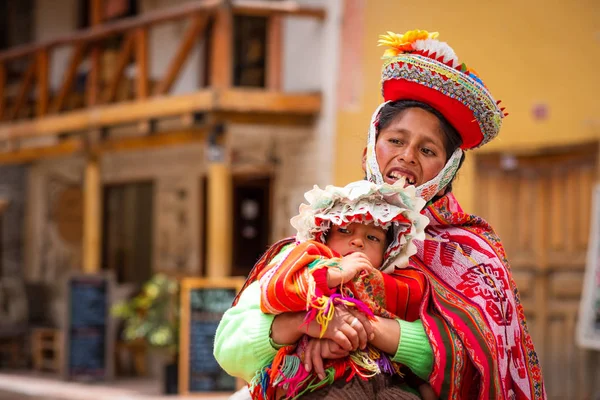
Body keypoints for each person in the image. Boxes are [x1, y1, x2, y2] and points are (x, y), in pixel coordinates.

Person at [214, 29, 547, 399]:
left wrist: (364, 328)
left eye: (428, 149)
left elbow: (483, 362)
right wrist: (303, 323)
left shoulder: (471, 256)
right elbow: (230, 348)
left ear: (448, 168)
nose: (407, 156)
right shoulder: (322, 233)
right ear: (372, 144)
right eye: (396, 140)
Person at [250, 179, 434, 399]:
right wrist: (331, 275)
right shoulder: (311, 259)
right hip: (323, 377)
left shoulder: (396, 284)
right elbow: (274, 291)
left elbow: (415, 324)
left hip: (384, 378)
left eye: (373, 237)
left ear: (389, 252)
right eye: (345, 230)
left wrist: (419, 382)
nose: (357, 241)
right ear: (324, 235)